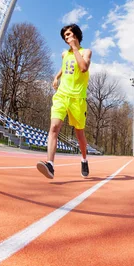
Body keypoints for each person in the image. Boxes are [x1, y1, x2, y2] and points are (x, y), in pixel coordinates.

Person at [37, 23, 92, 179]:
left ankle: (84, 159)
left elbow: (83, 68)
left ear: (76, 34)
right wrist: (56, 77)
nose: (67, 37)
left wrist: (75, 49)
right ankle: (50, 165)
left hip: (77, 99)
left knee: (79, 134)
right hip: (62, 95)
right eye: (65, 36)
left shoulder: (86, 51)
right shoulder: (64, 54)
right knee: (54, 127)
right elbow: (64, 66)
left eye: (69, 34)